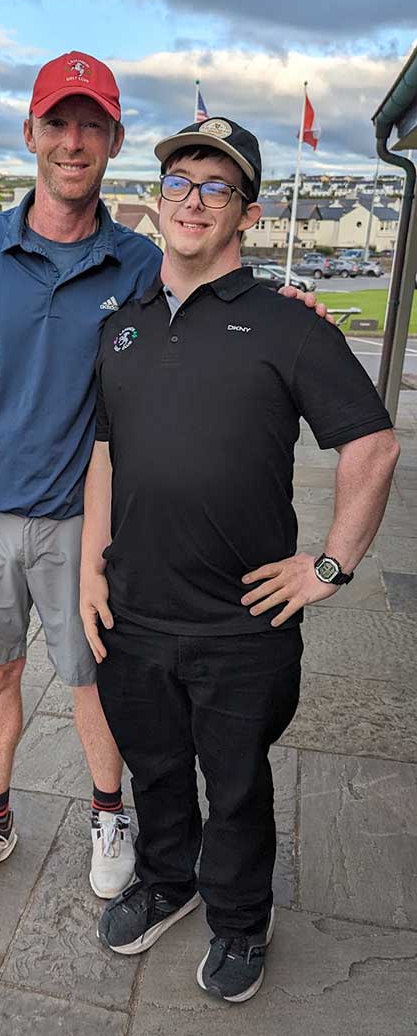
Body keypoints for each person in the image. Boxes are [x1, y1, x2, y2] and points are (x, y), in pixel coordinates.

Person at [0, 55, 325, 911]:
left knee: (95, 677)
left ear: (115, 141)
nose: (73, 141)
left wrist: (290, 309)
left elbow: (212, 286)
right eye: (58, 123)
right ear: (30, 133)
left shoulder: (137, 260)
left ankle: (108, 814)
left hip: (82, 521)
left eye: (92, 126)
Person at [81, 117, 399, 1003]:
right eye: (179, 182)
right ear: (158, 200)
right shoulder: (123, 328)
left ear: (247, 214)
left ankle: (240, 918)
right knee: (154, 770)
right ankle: (166, 881)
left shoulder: (288, 326)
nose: (193, 201)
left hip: (243, 624)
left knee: (236, 786)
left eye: (216, 187)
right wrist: (89, 570)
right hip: (133, 613)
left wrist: (328, 566)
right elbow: (104, 454)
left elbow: (373, 444)